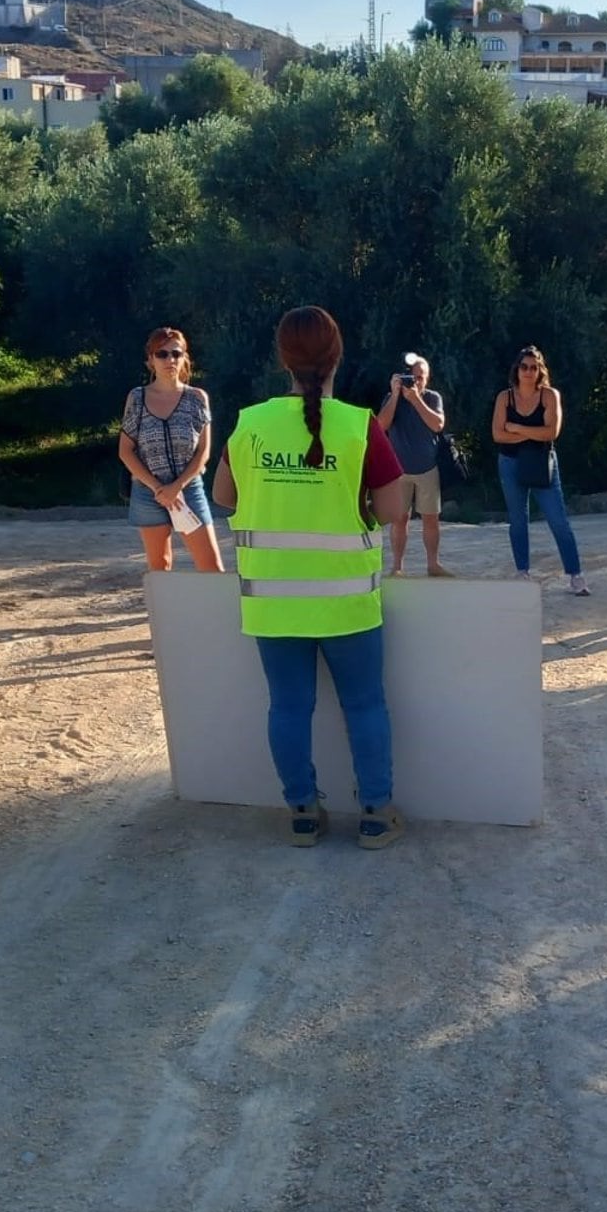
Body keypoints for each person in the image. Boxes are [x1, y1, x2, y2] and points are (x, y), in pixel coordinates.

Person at [212, 306, 409, 849]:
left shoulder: (250, 424)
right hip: (347, 602)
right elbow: (393, 509)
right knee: (365, 706)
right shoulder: (357, 424)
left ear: (282, 359)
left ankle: (302, 813)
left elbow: (224, 497)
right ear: (336, 357)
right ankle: (375, 814)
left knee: (288, 708)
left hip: (273, 603)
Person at [119, 328, 224, 574]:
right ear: (150, 360)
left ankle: (212, 614)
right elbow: (126, 451)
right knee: (160, 568)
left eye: (176, 353)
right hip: (148, 493)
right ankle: (163, 614)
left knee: (212, 568)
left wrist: (176, 488)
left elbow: (203, 453)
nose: (170, 360)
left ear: (185, 357)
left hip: (188, 489)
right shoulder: (137, 397)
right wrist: (158, 488)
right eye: (162, 354)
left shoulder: (197, 398)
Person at [491, 345, 588, 594]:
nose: (528, 372)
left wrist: (517, 428)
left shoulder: (549, 395)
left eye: (534, 367)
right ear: (517, 369)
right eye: (524, 367)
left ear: (540, 370)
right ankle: (522, 571)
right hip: (510, 462)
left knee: (558, 520)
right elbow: (498, 435)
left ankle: (575, 575)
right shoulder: (505, 398)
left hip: (542, 462)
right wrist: (530, 434)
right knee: (518, 519)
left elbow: (551, 433)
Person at [375, 353, 451, 577]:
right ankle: (397, 566)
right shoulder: (393, 398)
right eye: (412, 377)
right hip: (399, 470)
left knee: (431, 519)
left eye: (421, 377)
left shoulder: (432, 398)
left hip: (427, 467)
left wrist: (416, 399)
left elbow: (437, 425)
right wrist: (396, 395)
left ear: (427, 378)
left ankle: (433, 564)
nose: (416, 381)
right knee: (399, 520)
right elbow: (381, 425)